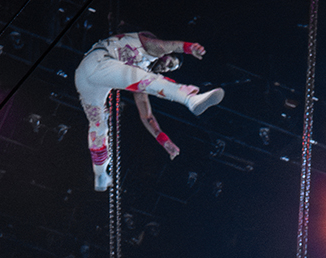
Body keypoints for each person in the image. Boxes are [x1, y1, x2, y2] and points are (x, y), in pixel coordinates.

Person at [73, 31, 225, 192]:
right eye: (170, 63)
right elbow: (167, 45)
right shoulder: (150, 49)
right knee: (149, 81)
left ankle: (100, 174)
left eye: (171, 68)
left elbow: (147, 116)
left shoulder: (140, 70)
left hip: (85, 79)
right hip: (98, 62)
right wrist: (189, 47)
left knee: (98, 125)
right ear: (165, 56)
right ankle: (189, 98)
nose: (167, 68)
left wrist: (164, 141)